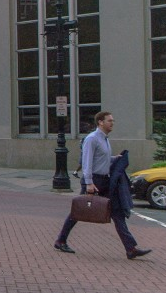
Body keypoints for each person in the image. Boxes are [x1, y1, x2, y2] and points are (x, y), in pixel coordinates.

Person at [54, 111, 151, 259]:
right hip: (95, 181)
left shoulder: (105, 139)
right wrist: (89, 183)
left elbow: (101, 158)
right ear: (100, 122)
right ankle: (61, 240)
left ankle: (131, 249)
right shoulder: (92, 139)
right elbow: (87, 162)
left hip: (106, 180)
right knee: (79, 211)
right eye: (109, 120)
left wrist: (114, 159)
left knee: (117, 213)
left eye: (113, 120)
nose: (112, 123)